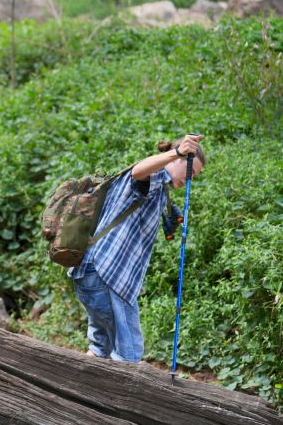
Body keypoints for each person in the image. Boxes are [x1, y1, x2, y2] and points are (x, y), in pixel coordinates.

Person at [69, 134, 205, 363]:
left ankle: (76, 392)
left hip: (91, 272)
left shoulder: (160, 189)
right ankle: (118, 399)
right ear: (176, 159)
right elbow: (138, 171)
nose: (190, 179)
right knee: (129, 355)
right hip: (107, 276)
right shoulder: (152, 178)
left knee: (100, 347)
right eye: (190, 171)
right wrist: (177, 152)